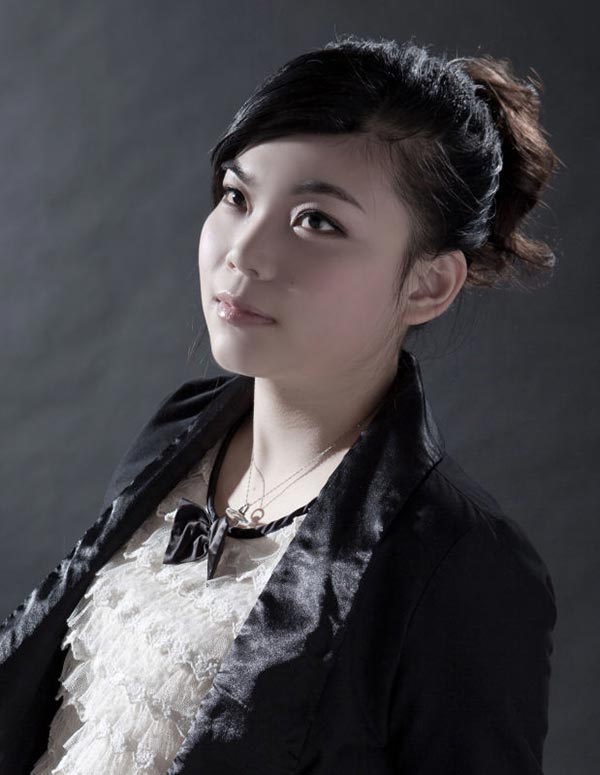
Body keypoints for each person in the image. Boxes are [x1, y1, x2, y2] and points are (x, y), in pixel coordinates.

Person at [0, 34, 559, 774]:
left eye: (316, 221)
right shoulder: (183, 433)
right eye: (237, 197)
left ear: (428, 285)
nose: (243, 252)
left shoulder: (463, 564)